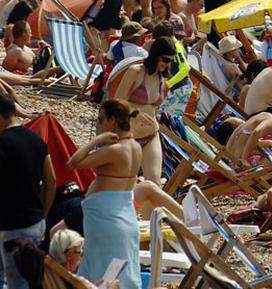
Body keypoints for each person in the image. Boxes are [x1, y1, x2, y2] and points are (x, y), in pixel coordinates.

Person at [66, 100, 141, 289]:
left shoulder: (115, 150)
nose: (100, 124)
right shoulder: (136, 146)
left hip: (107, 221)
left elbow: (74, 162)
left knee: (100, 276)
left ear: (113, 120)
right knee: (119, 275)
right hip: (124, 218)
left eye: (101, 119)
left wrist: (97, 140)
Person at [0, 92, 54, 289]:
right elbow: (51, 182)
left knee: (13, 282)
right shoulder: (37, 140)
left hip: (9, 225)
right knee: (28, 280)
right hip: (35, 223)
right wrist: (44, 215)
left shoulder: (2, 143)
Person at [107, 36, 175, 182]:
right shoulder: (136, 71)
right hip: (128, 135)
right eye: (164, 59)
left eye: (170, 61)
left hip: (150, 134)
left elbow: (153, 108)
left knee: (154, 183)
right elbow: (116, 102)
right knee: (123, 182)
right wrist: (134, 113)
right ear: (155, 55)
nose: (167, 64)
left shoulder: (162, 78)